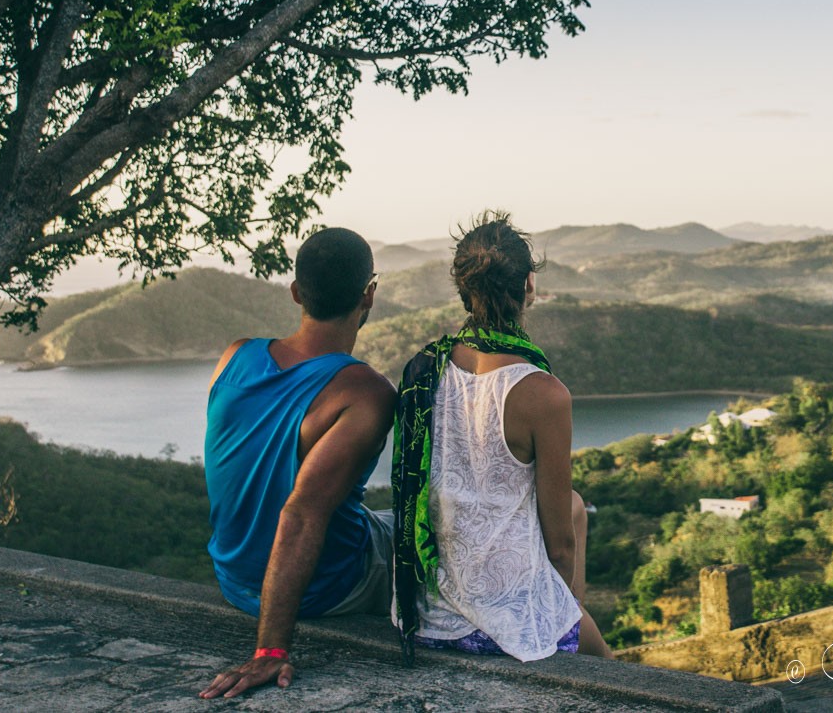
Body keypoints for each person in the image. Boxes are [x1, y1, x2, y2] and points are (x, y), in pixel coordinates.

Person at [392, 211, 613, 663]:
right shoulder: (542, 393)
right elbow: (560, 544)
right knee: (606, 664)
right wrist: (558, 614)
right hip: (503, 628)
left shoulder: (424, 371)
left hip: (424, 614)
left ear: (462, 290)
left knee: (574, 505)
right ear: (529, 285)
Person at [200, 228, 397, 699]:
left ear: (295, 292)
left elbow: (239, 473)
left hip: (234, 578)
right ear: (368, 296)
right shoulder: (365, 393)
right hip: (327, 588)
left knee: (376, 516)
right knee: (435, 533)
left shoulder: (235, 356)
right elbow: (301, 513)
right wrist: (270, 650)